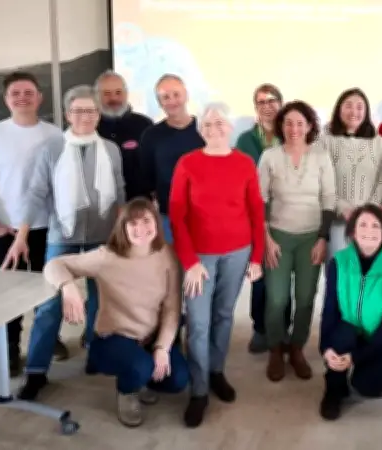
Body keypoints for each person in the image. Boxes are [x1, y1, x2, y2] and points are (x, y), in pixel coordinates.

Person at [3, 84, 126, 400]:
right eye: (78, 110)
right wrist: (22, 235)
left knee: (102, 303)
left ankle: (96, 355)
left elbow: (120, 194)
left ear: (98, 114)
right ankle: (35, 373)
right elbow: (36, 194)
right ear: (68, 114)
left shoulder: (111, 150)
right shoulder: (53, 148)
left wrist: (122, 234)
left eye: (90, 110)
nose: (84, 116)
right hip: (63, 238)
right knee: (49, 307)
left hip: (103, 237)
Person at [42, 198, 189, 428]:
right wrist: (68, 287)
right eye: (133, 223)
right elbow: (54, 265)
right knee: (140, 367)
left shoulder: (167, 255)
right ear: (123, 227)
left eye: (147, 221)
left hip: (149, 339)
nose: (141, 229)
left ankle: (141, 376)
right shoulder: (106, 256)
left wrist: (162, 347)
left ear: (157, 223)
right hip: (113, 339)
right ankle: (127, 390)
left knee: (178, 379)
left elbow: (172, 310)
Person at [168, 102, 265, 428]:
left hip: (237, 253)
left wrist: (255, 257)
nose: (214, 129)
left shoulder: (244, 163)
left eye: (220, 122)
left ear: (230, 127)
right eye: (208, 124)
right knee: (197, 322)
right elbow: (177, 216)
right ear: (201, 129)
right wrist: (190, 262)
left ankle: (216, 371)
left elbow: (256, 211)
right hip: (200, 258)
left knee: (224, 316)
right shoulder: (188, 163)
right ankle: (198, 391)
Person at [0, 71, 68, 374]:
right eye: (16, 93)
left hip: (47, 228)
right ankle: (10, 352)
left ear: (39, 97)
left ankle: (49, 340)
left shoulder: (55, 135)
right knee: (8, 296)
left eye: (28, 92)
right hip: (7, 229)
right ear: (6, 99)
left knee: (48, 291)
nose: (22, 97)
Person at [258, 100, 337, 382]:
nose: (293, 128)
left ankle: (297, 348)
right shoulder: (269, 157)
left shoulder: (321, 156)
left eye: (299, 123)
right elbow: (261, 200)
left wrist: (323, 238)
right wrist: (266, 238)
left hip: (311, 238)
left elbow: (329, 198)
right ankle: (276, 349)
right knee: (277, 299)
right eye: (288, 123)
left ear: (310, 126)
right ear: (280, 126)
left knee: (305, 298)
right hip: (278, 236)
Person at [318, 204, 382, 421]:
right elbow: (329, 310)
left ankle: (364, 372)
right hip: (349, 330)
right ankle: (333, 390)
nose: (369, 231)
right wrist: (326, 348)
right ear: (352, 231)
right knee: (340, 337)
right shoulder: (338, 263)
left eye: (376, 225)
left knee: (368, 388)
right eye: (363, 225)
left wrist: (355, 357)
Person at [235, 83, 292, 354]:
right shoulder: (245, 140)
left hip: (287, 216)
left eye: (272, 100)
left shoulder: (292, 137)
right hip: (255, 217)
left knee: (283, 275)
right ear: (255, 108)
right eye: (261, 102)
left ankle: (283, 327)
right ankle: (260, 329)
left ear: (281, 104)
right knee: (260, 275)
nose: (267, 106)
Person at [320, 88, 382, 260]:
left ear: (366, 112)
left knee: (366, 275)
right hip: (337, 222)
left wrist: (370, 209)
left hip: (370, 223)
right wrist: (342, 208)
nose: (354, 111)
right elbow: (320, 180)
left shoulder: (379, 142)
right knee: (338, 274)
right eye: (348, 106)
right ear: (339, 109)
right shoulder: (325, 141)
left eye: (360, 107)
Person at [137, 74, 205, 243]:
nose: (172, 101)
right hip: (168, 218)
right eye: (165, 97)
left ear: (186, 95)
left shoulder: (206, 131)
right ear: (160, 102)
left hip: (205, 216)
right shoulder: (151, 136)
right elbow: (147, 177)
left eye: (176, 94)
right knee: (172, 267)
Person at [95, 70, 154, 201]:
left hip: (139, 205)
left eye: (118, 92)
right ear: (97, 96)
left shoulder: (145, 124)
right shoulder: (91, 127)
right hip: (102, 208)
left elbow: (153, 165)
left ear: (126, 94)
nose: (114, 98)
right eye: (107, 94)